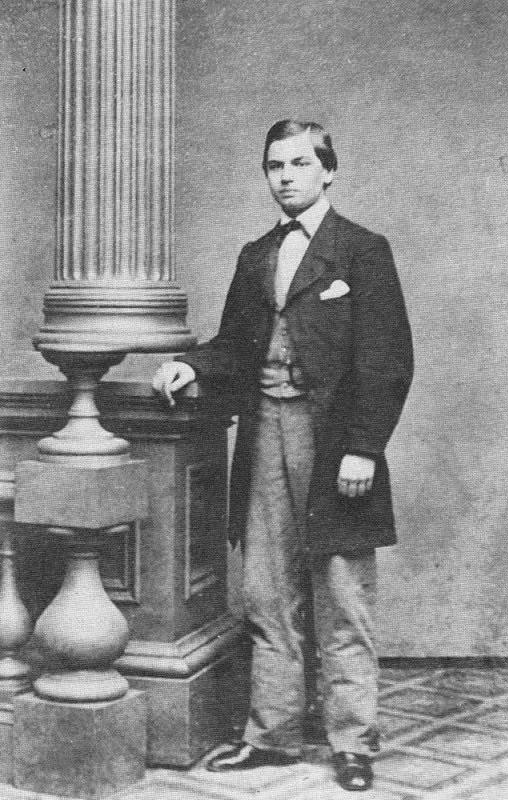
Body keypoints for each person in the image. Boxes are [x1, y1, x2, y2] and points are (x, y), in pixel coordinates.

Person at [153, 119, 413, 792]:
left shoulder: (361, 250)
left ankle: (352, 741)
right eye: (276, 165)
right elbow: (234, 345)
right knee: (267, 591)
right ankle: (271, 736)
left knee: (341, 593)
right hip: (265, 430)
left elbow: (386, 359)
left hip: (334, 441)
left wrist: (363, 448)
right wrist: (190, 364)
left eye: (300, 163)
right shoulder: (256, 255)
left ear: (328, 170)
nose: (287, 176)